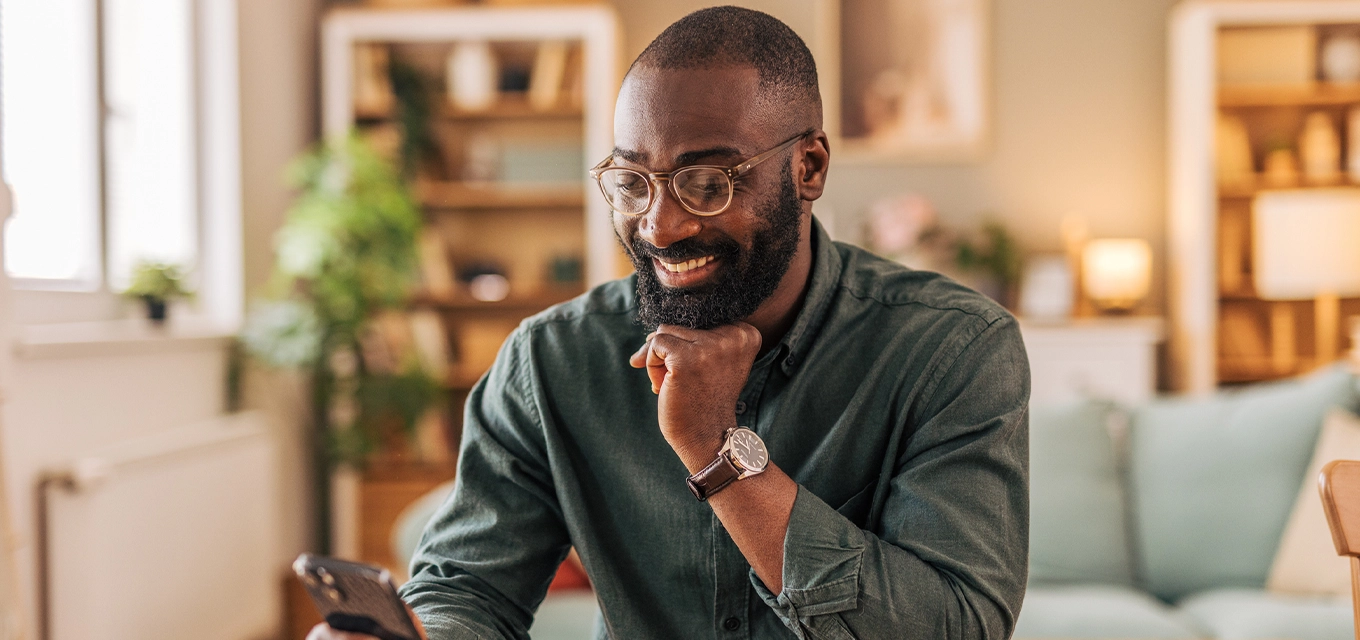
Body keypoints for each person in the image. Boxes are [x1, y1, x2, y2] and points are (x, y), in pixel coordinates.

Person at [309, 6, 1028, 640]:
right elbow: (468, 587)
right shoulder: (550, 362)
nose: (660, 224)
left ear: (808, 168)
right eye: (631, 182)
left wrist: (718, 452)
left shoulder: (952, 348)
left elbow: (958, 624)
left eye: (708, 182)